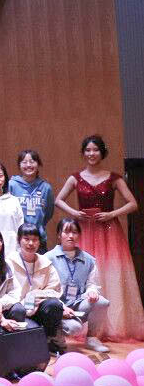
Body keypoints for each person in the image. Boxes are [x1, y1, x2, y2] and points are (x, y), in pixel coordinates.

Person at [54, 134, 144, 339]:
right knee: (86, 273)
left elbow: (133, 203)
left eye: (95, 150)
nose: (91, 153)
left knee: (111, 274)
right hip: (85, 229)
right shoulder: (75, 178)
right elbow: (58, 200)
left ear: (102, 152)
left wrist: (112, 214)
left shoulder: (114, 178)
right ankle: (86, 326)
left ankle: (113, 326)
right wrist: (75, 213)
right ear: (83, 153)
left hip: (109, 230)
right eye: (88, 150)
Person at [46, 218, 112, 353]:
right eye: (66, 232)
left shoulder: (89, 260)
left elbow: (92, 284)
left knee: (102, 302)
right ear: (59, 235)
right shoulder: (48, 258)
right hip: (57, 306)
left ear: (79, 235)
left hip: (77, 304)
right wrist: (61, 307)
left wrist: (92, 291)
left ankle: (92, 338)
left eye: (75, 232)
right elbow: (45, 289)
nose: (71, 236)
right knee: (73, 328)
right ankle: (52, 338)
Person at [7, 224, 65, 352]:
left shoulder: (45, 263)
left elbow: (55, 289)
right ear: (19, 240)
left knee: (54, 305)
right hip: (17, 308)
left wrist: (37, 295)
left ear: (39, 242)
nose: (30, 243)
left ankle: (49, 339)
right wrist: (24, 301)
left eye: (35, 239)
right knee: (27, 324)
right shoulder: (9, 262)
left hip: (39, 307)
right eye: (26, 239)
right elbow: (5, 290)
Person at [10, 150, 55, 253]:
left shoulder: (46, 188)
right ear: (19, 165)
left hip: (38, 238)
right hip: (17, 239)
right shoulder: (12, 185)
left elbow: (48, 213)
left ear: (38, 164)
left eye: (32, 161)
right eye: (24, 162)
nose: (28, 165)